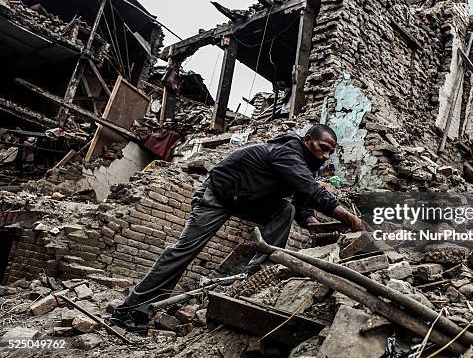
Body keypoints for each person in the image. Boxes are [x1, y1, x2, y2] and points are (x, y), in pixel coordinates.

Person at [111, 124, 364, 331]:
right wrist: (347, 217)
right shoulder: (288, 151)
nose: (326, 155)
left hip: (247, 200)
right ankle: (131, 310)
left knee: (285, 210)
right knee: (182, 253)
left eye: (331, 152)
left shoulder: (306, 165)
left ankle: (257, 273)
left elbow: (301, 198)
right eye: (323, 148)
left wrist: (311, 222)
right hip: (218, 196)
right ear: (308, 141)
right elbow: (311, 189)